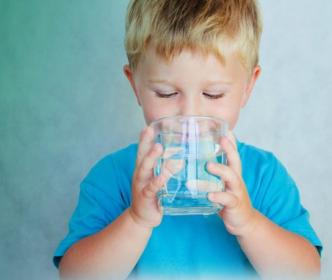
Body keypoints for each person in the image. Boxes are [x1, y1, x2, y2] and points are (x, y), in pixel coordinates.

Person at [53, 0, 322, 279]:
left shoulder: (265, 175)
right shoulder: (113, 176)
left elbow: (307, 273)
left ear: (247, 87)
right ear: (135, 85)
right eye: (166, 94)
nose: (190, 116)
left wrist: (249, 223)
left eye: (214, 94)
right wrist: (136, 220)